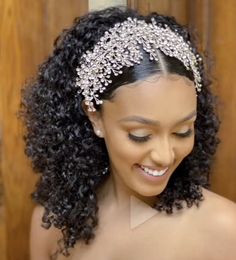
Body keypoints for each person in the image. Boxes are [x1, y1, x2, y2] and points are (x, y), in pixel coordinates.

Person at [21, 6, 236, 260]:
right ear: (95, 117)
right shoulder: (53, 225)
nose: (165, 156)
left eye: (182, 131)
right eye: (141, 135)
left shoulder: (224, 230)